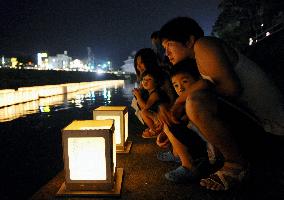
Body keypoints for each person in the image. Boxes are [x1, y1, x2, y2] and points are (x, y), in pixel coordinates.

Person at [158, 16, 284, 191]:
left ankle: (236, 166)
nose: (167, 53)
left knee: (196, 102)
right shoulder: (199, 63)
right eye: (164, 49)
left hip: (273, 130)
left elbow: (231, 89)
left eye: (169, 45)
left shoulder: (204, 44)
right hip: (259, 127)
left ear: (189, 40)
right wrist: (174, 129)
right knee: (187, 108)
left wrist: (183, 101)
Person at [156, 59, 212, 183]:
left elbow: (205, 83)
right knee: (169, 123)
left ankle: (188, 166)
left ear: (196, 79)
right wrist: (165, 134)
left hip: (207, 143)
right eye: (175, 85)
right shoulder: (184, 102)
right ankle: (178, 154)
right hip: (200, 141)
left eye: (185, 82)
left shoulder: (201, 96)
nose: (180, 88)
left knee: (171, 123)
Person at [132, 70, 170, 138]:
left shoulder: (155, 93)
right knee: (142, 112)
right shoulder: (149, 93)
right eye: (144, 79)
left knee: (143, 112)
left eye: (149, 79)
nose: (145, 81)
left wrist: (138, 96)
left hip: (163, 118)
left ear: (156, 82)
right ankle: (153, 128)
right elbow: (141, 106)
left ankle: (154, 131)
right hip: (157, 117)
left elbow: (145, 107)